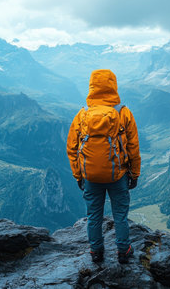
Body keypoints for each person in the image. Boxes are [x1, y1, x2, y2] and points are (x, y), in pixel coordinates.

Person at [66, 69, 141, 264]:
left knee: (93, 216)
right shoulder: (123, 113)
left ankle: (96, 252)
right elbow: (133, 147)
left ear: (92, 87)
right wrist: (135, 173)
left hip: (90, 176)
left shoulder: (82, 115)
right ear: (113, 86)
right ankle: (123, 251)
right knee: (120, 216)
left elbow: (72, 148)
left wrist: (78, 175)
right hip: (119, 175)